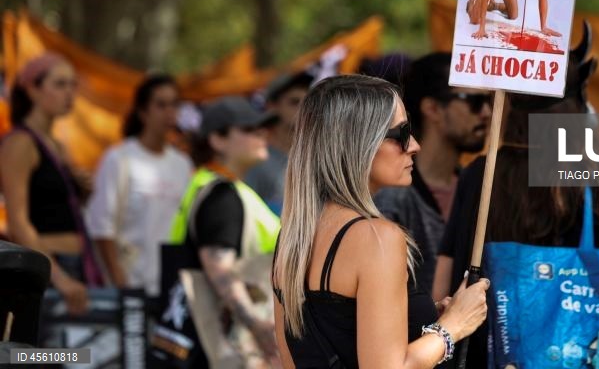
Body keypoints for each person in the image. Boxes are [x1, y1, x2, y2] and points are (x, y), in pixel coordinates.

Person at [432, 31, 599, 367]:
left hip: (483, 348)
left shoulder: (480, 173)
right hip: (569, 349)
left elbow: (445, 272)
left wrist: (439, 335)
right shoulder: (593, 174)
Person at [272, 75, 490, 369]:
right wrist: (453, 326)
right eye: (401, 133)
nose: (414, 145)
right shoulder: (376, 237)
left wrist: (422, 323)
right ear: (359, 143)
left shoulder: (293, 237)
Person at [158, 96, 282, 368]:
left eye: (262, 128)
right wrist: (257, 325)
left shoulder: (211, 185)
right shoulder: (222, 196)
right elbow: (219, 270)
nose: (261, 135)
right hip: (226, 343)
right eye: (249, 129)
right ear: (217, 140)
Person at [375, 53, 491, 293]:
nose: (487, 113)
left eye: (489, 101)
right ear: (433, 109)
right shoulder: (393, 196)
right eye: (475, 102)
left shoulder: (478, 187)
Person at [0, 53, 101, 315]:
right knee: (46, 355)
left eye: (72, 85)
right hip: (48, 265)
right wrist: (58, 277)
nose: (69, 93)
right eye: (59, 84)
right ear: (32, 89)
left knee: (74, 355)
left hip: (75, 264)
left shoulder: (57, 145)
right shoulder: (20, 143)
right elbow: (18, 223)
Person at [85, 74, 193, 297]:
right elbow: (102, 227)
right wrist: (118, 281)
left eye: (174, 104)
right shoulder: (119, 159)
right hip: (130, 285)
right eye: (161, 105)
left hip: (170, 287)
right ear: (143, 112)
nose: (169, 112)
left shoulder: (183, 164)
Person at [244, 71, 313, 215]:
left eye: (307, 102)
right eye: (294, 102)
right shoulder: (256, 159)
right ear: (272, 106)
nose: (302, 109)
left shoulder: (316, 158)